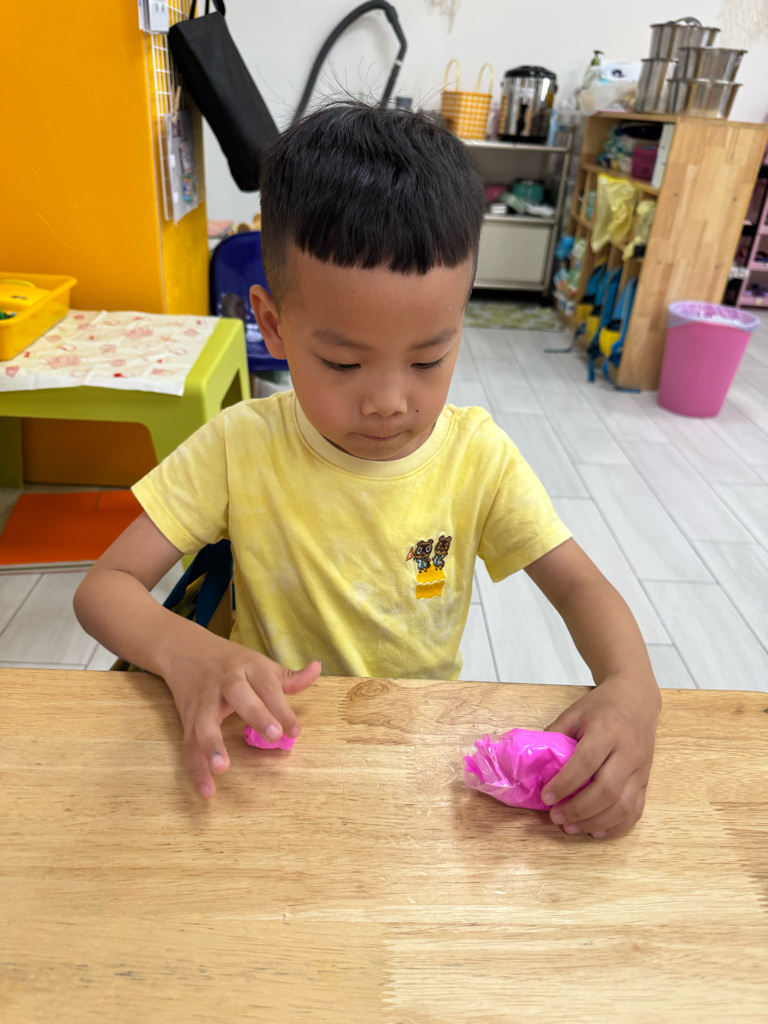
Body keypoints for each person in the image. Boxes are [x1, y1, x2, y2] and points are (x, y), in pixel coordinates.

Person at [74, 102, 660, 838]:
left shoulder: (477, 457)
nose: (389, 402)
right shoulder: (239, 446)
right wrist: (186, 651)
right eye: (344, 363)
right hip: (267, 749)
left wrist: (633, 687)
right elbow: (104, 588)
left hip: (413, 758)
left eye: (429, 358)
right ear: (273, 324)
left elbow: (579, 585)